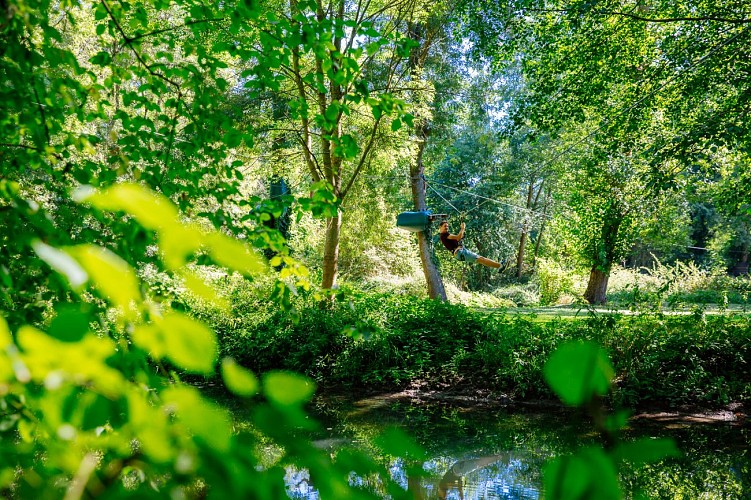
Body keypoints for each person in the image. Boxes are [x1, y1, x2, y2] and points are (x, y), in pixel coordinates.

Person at [438, 220, 509, 272]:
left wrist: (462, 231)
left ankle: (499, 266)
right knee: (481, 259)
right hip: (460, 253)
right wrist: (462, 228)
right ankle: (500, 266)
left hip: (461, 251)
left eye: (447, 226)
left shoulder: (446, 235)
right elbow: (458, 237)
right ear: (440, 227)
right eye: (445, 226)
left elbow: (459, 237)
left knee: (481, 259)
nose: (446, 227)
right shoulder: (444, 235)